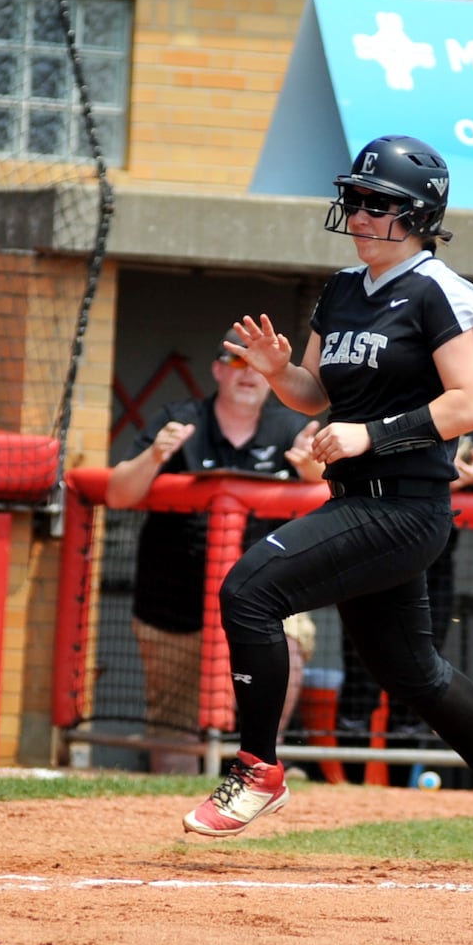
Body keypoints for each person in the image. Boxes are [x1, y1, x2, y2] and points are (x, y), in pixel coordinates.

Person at [180, 134, 473, 872]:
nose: (357, 211)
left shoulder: (442, 292)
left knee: (248, 590)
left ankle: (258, 769)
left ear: (418, 214)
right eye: (354, 197)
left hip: (405, 506)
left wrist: (368, 436)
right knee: (410, 670)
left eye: (376, 202)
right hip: (363, 500)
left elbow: (466, 406)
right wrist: (282, 370)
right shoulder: (342, 288)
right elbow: (316, 396)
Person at [105, 328, 323, 774]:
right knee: (174, 740)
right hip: (173, 604)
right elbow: (117, 494)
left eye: (259, 364)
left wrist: (309, 473)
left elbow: (331, 499)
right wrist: (155, 457)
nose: (248, 374)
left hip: (264, 593)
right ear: (218, 371)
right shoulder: (181, 420)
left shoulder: (293, 429)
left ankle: (263, 766)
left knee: (293, 639)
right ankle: (169, 812)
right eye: (238, 362)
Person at [335, 411, 473, 785]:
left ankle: (401, 790)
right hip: (372, 546)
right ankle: (350, 790)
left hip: (434, 557)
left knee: (418, 672)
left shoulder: (466, 407)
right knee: (360, 677)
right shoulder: (375, 394)